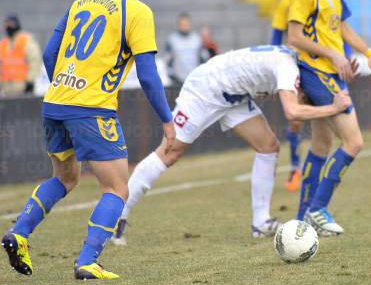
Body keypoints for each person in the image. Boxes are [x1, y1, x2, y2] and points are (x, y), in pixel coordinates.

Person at [0, 0, 175, 280]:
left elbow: (51, 54)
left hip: (55, 102)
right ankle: (87, 260)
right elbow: (150, 77)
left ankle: (19, 233)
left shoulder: (81, 1)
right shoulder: (138, 11)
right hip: (92, 109)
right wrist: (167, 121)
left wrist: (67, 87)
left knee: (65, 177)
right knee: (116, 189)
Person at [110, 45, 351, 246]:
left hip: (232, 94)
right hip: (207, 87)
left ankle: (261, 222)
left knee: (268, 145)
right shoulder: (288, 69)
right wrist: (334, 108)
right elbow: (292, 111)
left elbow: (295, 112)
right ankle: (116, 216)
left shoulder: (291, 58)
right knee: (169, 152)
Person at [287, 0, 371, 236]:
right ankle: (317, 207)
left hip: (330, 72)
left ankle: (301, 221)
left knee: (321, 145)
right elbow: (295, 36)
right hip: (316, 72)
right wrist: (333, 54)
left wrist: (368, 53)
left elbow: (341, 28)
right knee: (354, 142)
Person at [271, 0, 313, 192]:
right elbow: (276, 39)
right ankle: (296, 168)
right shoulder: (287, 3)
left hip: (322, 66)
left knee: (328, 119)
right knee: (296, 119)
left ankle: (317, 169)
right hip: (295, 66)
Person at [0, 15, 42, 97]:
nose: (8, 27)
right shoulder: (3, 43)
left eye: (11, 24)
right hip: (6, 90)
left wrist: (30, 82)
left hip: (23, 88)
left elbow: (35, 61)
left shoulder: (26, 40)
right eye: (7, 24)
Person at [165, 12, 203, 85]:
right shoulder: (172, 40)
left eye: (186, 24)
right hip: (177, 81)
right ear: (178, 25)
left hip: (194, 80)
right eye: (182, 24)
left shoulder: (197, 39)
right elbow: (167, 60)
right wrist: (172, 76)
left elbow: (203, 58)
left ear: (190, 24)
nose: (184, 27)